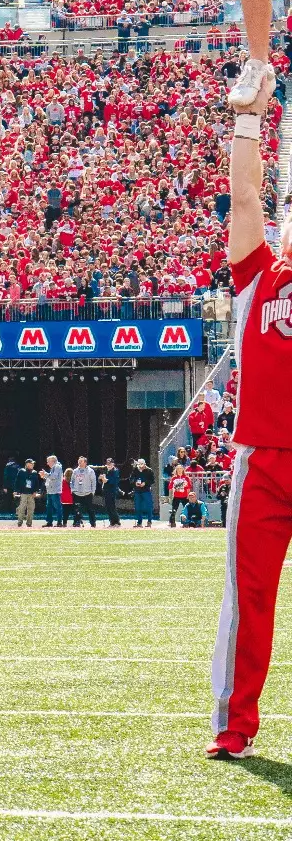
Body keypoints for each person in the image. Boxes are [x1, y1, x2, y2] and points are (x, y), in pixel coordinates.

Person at [208, 84, 292, 759]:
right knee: (248, 598)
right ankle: (235, 725)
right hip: (262, 459)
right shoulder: (260, 275)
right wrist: (246, 121)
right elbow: (243, 199)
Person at [132, 459, 158, 528]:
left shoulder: (149, 470)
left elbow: (152, 480)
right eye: (139, 464)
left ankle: (149, 521)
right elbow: (131, 479)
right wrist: (135, 482)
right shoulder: (135, 470)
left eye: (142, 464)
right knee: (138, 507)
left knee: (149, 506)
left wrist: (145, 483)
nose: (140, 466)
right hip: (137, 491)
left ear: (144, 464)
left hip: (146, 490)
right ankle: (139, 522)